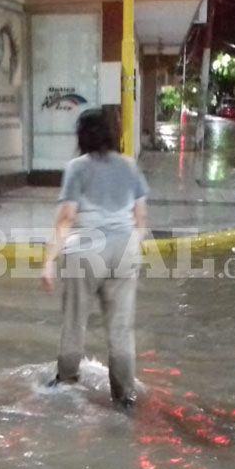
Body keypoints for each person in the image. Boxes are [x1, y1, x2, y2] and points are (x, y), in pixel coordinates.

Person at [40, 109, 149, 409]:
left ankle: (66, 380)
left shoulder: (77, 168)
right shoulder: (130, 167)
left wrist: (49, 260)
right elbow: (140, 218)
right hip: (124, 250)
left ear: (82, 136)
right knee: (121, 329)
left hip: (85, 252)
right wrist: (129, 248)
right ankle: (125, 396)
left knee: (75, 321)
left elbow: (65, 218)